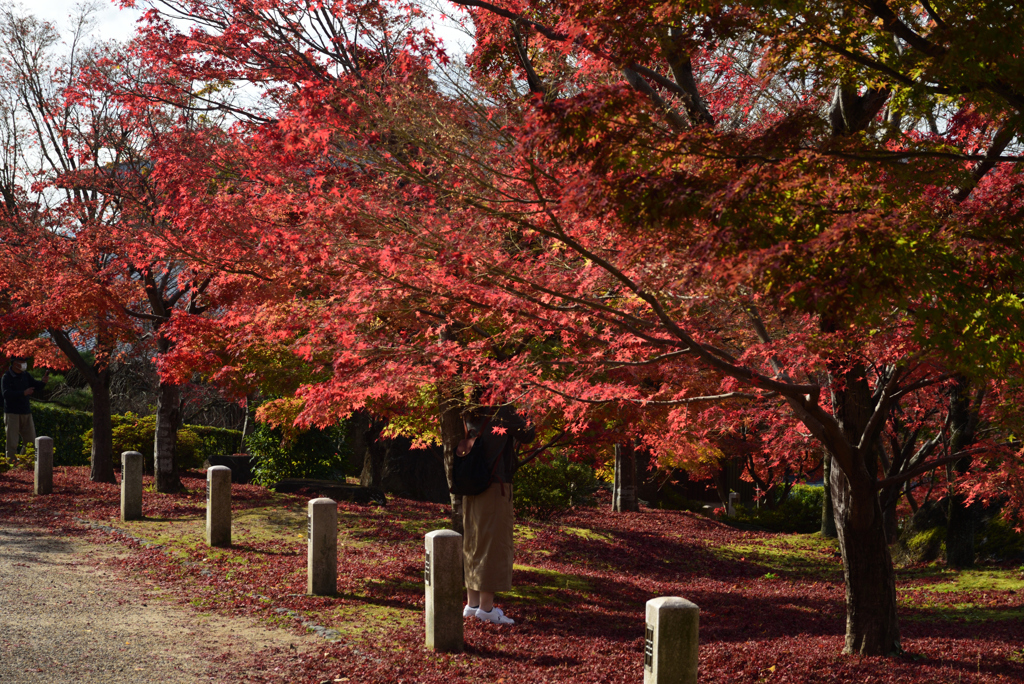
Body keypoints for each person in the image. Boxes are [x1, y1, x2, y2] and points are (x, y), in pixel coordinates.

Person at [461, 402, 535, 625]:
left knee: (473, 543)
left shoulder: (468, 409)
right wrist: (529, 409)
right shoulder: (503, 411)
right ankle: (486, 609)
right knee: (492, 545)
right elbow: (528, 435)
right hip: (494, 486)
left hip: (471, 485)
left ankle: (473, 604)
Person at [3, 357, 48, 464]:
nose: (24, 364)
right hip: (12, 413)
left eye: (25, 362)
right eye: (22, 362)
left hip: (26, 412)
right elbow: (6, 394)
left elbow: (36, 386)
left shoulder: (25, 375)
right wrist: (23, 393)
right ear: (15, 363)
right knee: (12, 443)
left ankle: (24, 464)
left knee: (31, 442)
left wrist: (43, 382)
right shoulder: (7, 376)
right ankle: (11, 465)